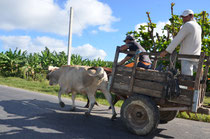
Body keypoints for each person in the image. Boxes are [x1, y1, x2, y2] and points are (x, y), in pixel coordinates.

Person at [160, 9, 202, 76]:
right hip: (196, 56)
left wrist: (166, 51)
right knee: (197, 79)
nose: (183, 19)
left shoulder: (188, 25)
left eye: (185, 17)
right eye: (183, 17)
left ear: (191, 16)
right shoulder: (198, 27)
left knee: (187, 79)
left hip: (186, 56)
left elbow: (177, 39)